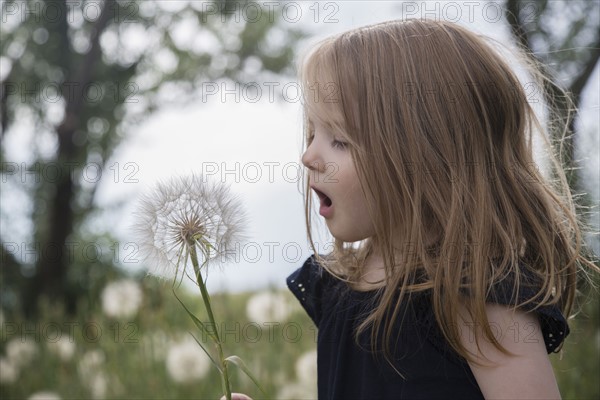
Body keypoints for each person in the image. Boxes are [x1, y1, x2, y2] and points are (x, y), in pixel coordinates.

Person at [228, 19, 598, 400]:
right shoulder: (335, 287)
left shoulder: (477, 296)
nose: (309, 156)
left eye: (339, 140)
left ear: (427, 158)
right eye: (311, 133)